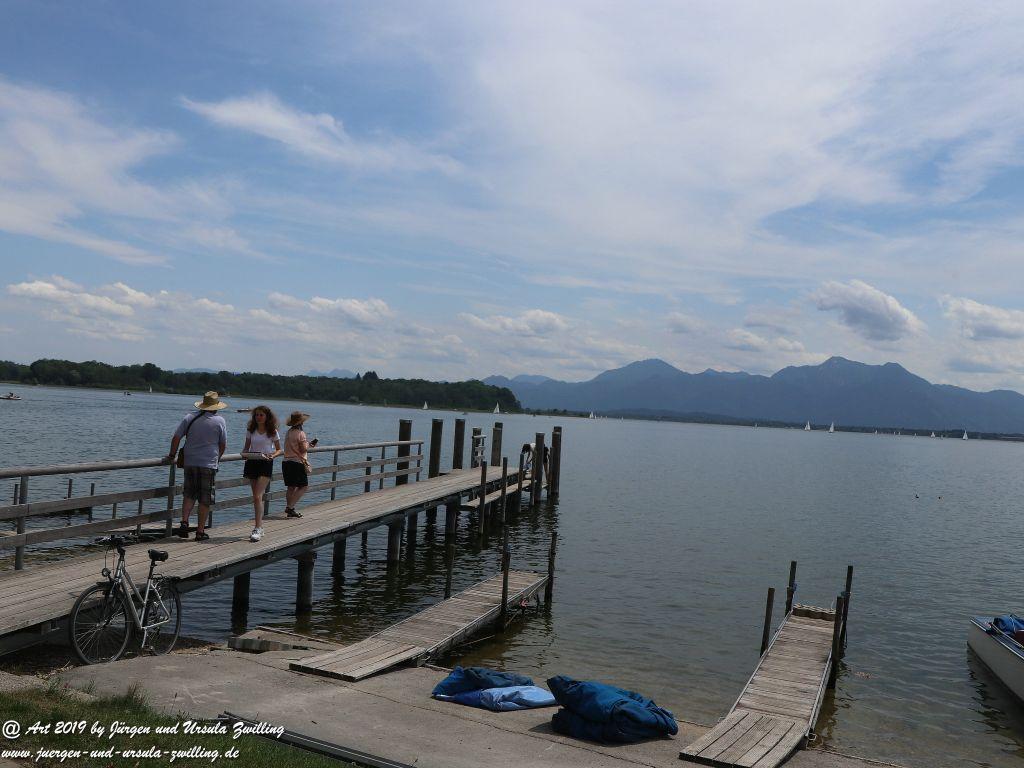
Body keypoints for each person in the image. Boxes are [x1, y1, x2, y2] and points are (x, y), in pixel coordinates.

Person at [163, 391, 228, 542]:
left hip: (190, 462)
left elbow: (176, 437)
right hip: (208, 463)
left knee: (189, 494)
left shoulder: (189, 417)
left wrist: (172, 455)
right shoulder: (219, 421)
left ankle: (184, 522)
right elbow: (223, 444)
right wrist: (216, 459)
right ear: (216, 406)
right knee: (205, 499)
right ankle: (199, 532)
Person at [242, 405, 281, 542]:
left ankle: (257, 528)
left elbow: (278, 449)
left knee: (258, 496)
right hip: (252, 462)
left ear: (267, 416)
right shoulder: (251, 430)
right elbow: (246, 448)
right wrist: (244, 455)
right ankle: (260, 526)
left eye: (261, 415)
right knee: (256, 497)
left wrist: (272, 456)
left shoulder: (272, 431)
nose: (258, 417)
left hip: (265, 463)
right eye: (257, 415)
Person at [282, 411, 317, 518]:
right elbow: (302, 450)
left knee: (291, 487)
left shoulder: (288, 432)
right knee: (304, 486)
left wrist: (307, 444)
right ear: (301, 422)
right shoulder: (301, 433)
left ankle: (290, 510)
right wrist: (309, 445)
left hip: (286, 462)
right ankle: (290, 507)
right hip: (297, 463)